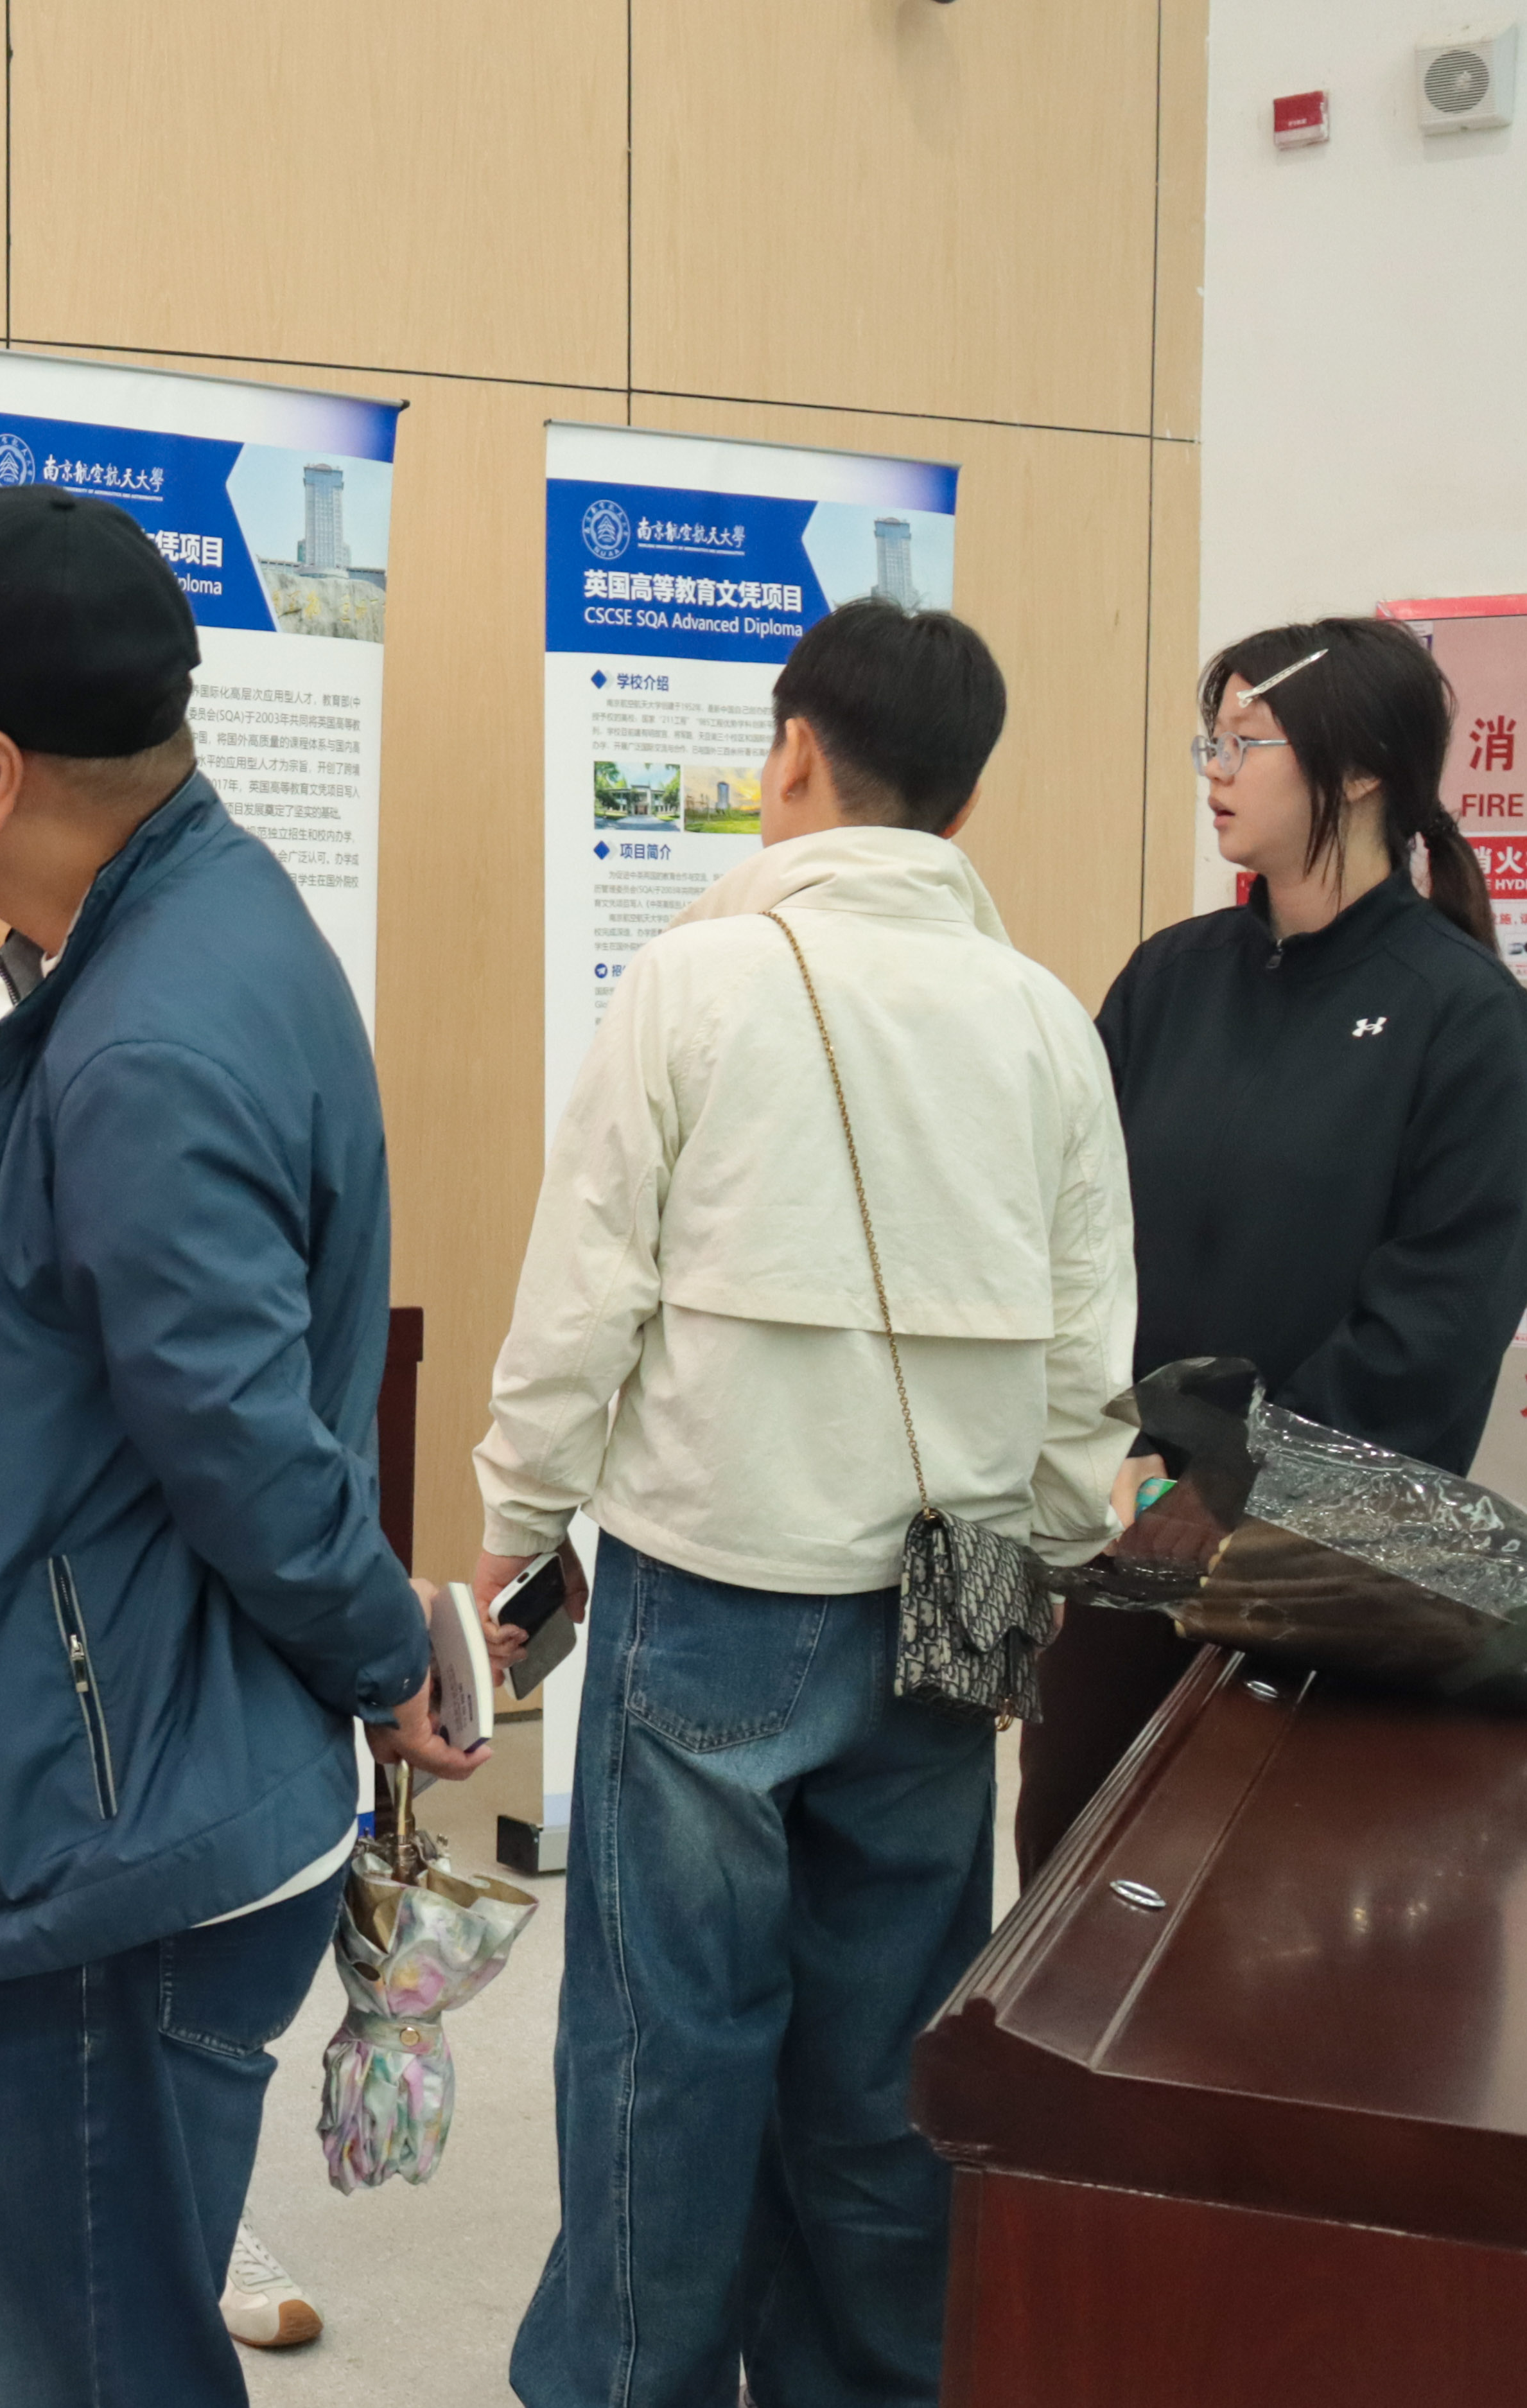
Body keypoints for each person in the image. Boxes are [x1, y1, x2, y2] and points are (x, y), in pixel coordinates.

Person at [0, 482, 475, 2408]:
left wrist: (383, 1654)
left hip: (116, 1819)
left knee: (86, 2355)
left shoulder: (145, 1034)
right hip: (148, 1757)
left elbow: (236, 1432)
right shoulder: (190, 923)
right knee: (81, 2310)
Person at [469, 599, 1135, 2408]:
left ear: (789, 755)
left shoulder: (694, 982)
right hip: (961, 1587)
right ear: (965, 798)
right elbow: (1088, 1354)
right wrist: (1041, 1552)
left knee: (665, 2048)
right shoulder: (1043, 1022)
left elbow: (583, 1294)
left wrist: (518, 1520)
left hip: (716, 1573)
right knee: (890, 2057)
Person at [0, 884, 326, 2351]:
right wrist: (93, 1137)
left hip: (122, 1502)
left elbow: (206, 1168)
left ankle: (186, 2201)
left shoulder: (146, 951)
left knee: (146, 1860)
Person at [1015, 617, 1527, 1876]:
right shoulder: (1171, 979)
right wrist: (1105, 1463)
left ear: (1360, 772)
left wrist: (1219, 1484)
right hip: (1127, 1545)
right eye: (1212, 740)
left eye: (1248, 741)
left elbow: (1433, 1333)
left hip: (1325, 1576)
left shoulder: (1468, 1019)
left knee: (1261, 1924)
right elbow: (1069, 1232)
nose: (1216, 770)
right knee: (1070, 1894)